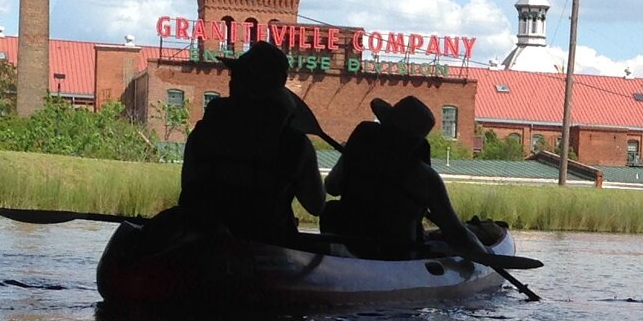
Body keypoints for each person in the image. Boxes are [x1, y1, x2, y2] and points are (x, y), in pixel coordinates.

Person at [177, 43, 323, 246]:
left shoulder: (203, 133)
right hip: (271, 254)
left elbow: (188, 188)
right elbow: (316, 205)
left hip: (206, 251)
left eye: (236, 75)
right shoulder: (296, 144)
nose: (231, 81)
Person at [323, 94, 497, 261]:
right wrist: (486, 255)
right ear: (417, 141)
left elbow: (331, 187)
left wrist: (347, 156)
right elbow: (455, 231)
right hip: (398, 255)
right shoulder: (426, 178)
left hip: (349, 247)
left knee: (331, 209)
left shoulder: (357, 155)